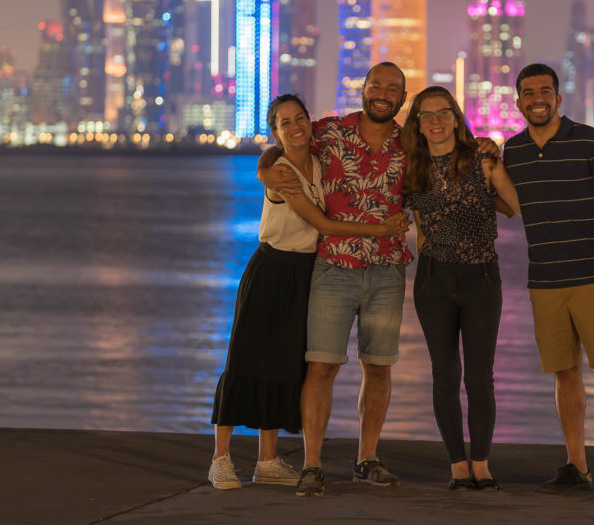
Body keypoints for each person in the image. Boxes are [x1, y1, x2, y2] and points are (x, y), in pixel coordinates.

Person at [209, 93, 409, 491]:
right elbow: (324, 222)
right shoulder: (280, 173)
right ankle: (221, 458)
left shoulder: (320, 162)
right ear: (275, 132)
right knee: (246, 360)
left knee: (284, 365)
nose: (296, 126)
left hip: (306, 271)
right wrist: (382, 230)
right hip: (271, 268)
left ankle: (268, 460)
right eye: (285, 122)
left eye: (300, 118)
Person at [257, 62, 412, 498]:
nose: (383, 93)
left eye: (393, 88)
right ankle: (312, 464)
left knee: (378, 367)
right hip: (333, 266)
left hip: (388, 267)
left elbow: (449, 148)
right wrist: (265, 169)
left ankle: (367, 459)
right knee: (321, 365)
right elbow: (284, 143)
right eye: (376, 85)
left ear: (403, 96)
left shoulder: (409, 142)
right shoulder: (331, 131)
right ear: (363, 90)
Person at [501, 63, 594, 493]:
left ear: (559, 98)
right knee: (564, 372)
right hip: (544, 280)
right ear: (518, 101)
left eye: (545, 91)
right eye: (528, 92)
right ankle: (576, 464)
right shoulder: (514, 151)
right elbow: (507, 205)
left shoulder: (589, 140)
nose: (537, 98)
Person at [400, 86, 520, 491]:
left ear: (456, 117)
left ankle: (481, 463)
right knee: (445, 374)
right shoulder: (411, 167)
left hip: (481, 278)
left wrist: (498, 162)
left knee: (480, 377)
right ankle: (456, 464)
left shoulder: (482, 160)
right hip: (433, 279)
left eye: (443, 112)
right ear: (417, 123)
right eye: (426, 115)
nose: (435, 121)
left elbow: (515, 205)